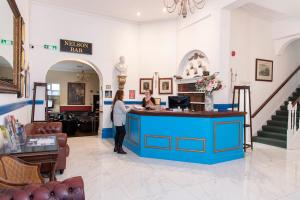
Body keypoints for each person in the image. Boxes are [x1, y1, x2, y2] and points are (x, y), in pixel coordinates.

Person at [112, 90, 130, 154]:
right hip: (120, 121)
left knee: (118, 133)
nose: (123, 95)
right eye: (123, 94)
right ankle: (120, 149)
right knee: (123, 133)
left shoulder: (116, 102)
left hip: (117, 121)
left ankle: (116, 147)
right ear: (121, 95)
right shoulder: (119, 102)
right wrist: (131, 107)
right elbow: (125, 111)